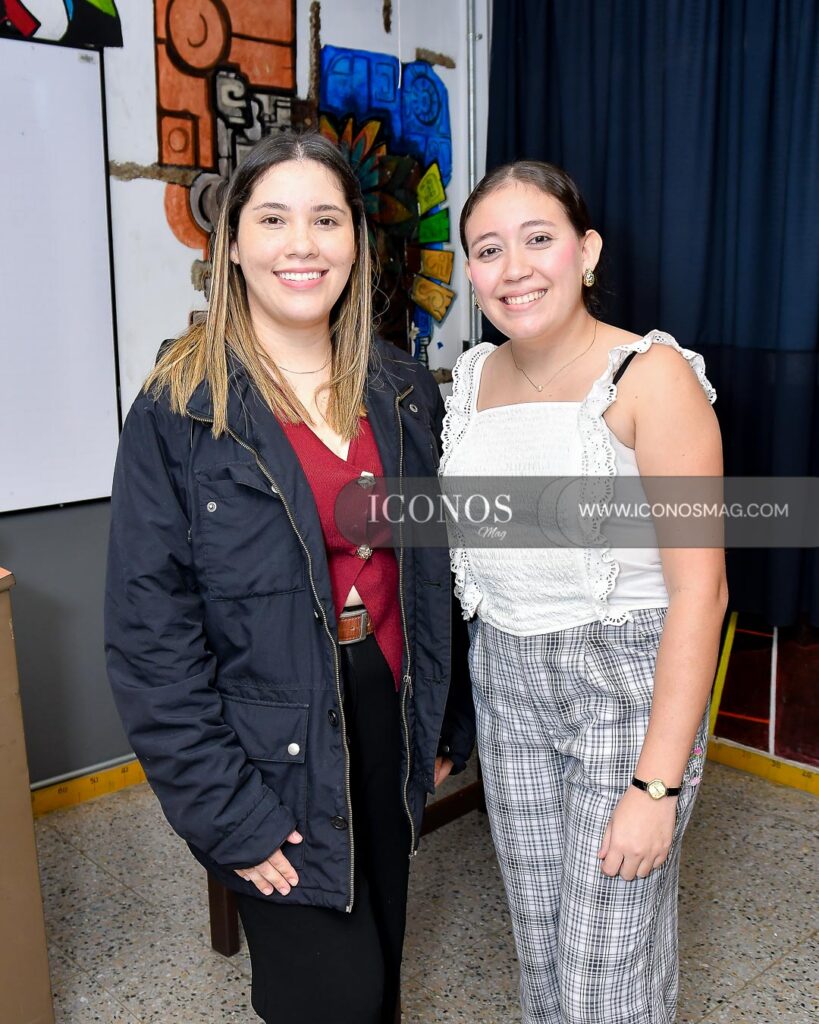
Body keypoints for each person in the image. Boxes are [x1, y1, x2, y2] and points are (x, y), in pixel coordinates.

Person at [104, 131, 474, 1024]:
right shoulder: (180, 407)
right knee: (330, 999)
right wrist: (229, 814)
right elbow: (150, 638)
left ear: (356, 240)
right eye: (273, 219)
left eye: (324, 219)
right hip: (267, 742)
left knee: (379, 967)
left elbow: (438, 574)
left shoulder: (402, 391)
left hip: (384, 712)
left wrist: (443, 717)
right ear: (231, 241)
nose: (301, 244)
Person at [440, 161, 727, 1024]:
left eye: (538, 240)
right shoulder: (471, 379)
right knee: (542, 952)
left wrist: (655, 789)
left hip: (623, 686)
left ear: (585, 250)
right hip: (507, 681)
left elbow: (701, 593)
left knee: (604, 977)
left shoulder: (650, 375)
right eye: (488, 250)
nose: (514, 268)